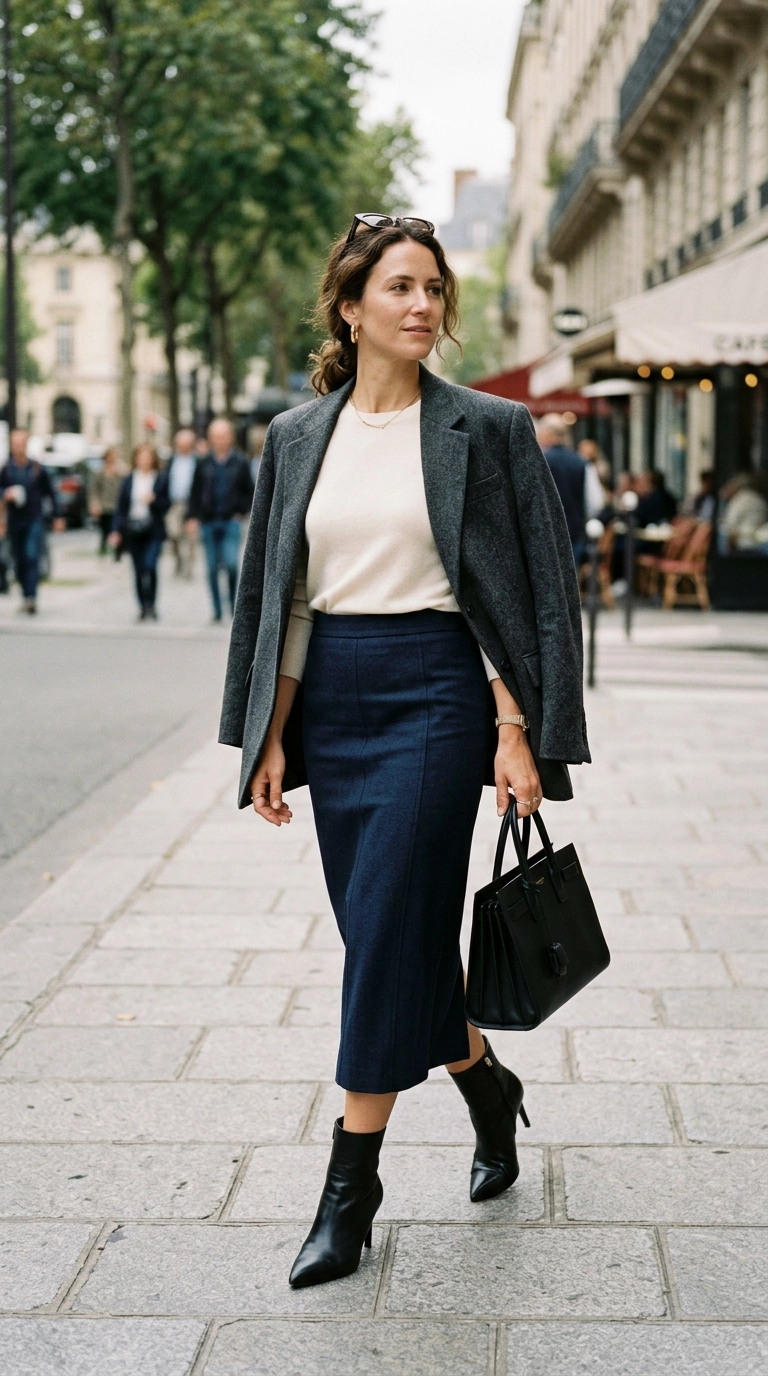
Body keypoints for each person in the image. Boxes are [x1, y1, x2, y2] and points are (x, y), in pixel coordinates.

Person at [219, 214, 589, 1290]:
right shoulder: (297, 436)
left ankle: (349, 1188)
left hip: (439, 693)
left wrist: (518, 727)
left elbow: (529, 589)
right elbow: (282, 596)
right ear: (351, 306)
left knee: (382, 931)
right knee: (395, 933)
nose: (423, 305)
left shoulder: (489, 427)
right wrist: (272, 730)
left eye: (434, 288)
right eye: (400, 288)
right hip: (335, 694)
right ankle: (484, 1080)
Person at [186, 418, 254, 622]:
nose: (220, 440)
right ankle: (216, 610)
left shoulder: (240, 462)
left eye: (223, 436)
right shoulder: (203, 462)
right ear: (210, 438)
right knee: (212, 568)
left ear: (230, 437)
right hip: (208, 521)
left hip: (231, 521)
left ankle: (233, 606)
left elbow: (250, 492)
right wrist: (192, 517)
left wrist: (240, 511)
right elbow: (195, 492)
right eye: (216, 436)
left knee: (232, 565)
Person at [0, 428, 65, 614]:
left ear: (27, 444)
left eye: (21, 443)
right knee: (19, 560)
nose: (18, 447)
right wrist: (6, 494)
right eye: (15, 444)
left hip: (34, 518)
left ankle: (32, 597)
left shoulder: (37, 468)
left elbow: (51, 493)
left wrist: (57, 516)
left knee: (31, 556)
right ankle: (25, 594)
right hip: (15, 519)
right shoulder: (6, 469)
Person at [110, 443, 170, 620]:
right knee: (137, 569)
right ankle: (143, 606)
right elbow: (120, 508)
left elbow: (166, 504)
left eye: (148, 456)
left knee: (149, 566)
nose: (144, 460)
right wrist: (115, 531)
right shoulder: (129, 479)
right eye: (141, 456)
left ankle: (152, 603)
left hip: (153, 529)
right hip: (133, 529)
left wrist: (154, 500)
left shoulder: (160, 478)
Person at [535, 413, 588, 562]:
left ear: (547, 434)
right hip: (574, 531)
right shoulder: (580, 462)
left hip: (546, 532)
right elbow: (593, 501)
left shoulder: (540, 461)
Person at [165, 428, 198, 578]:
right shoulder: (171, 460)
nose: (183, 446)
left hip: (191, 504)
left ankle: (189, 569)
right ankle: (178, 561)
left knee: (191, 538)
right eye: (180, 443)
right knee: (174, 534)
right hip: (174, 504)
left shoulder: (198, 461)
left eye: (186, 443)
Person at [88, 446, 125, 555]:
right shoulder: (100, 472)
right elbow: (94, 489)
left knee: (117, 529)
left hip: (117, 505)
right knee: (105, 529)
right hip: (104, 506)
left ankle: (118, 552)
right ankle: (104, 549)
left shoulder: (121, 470)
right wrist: (95, 504)